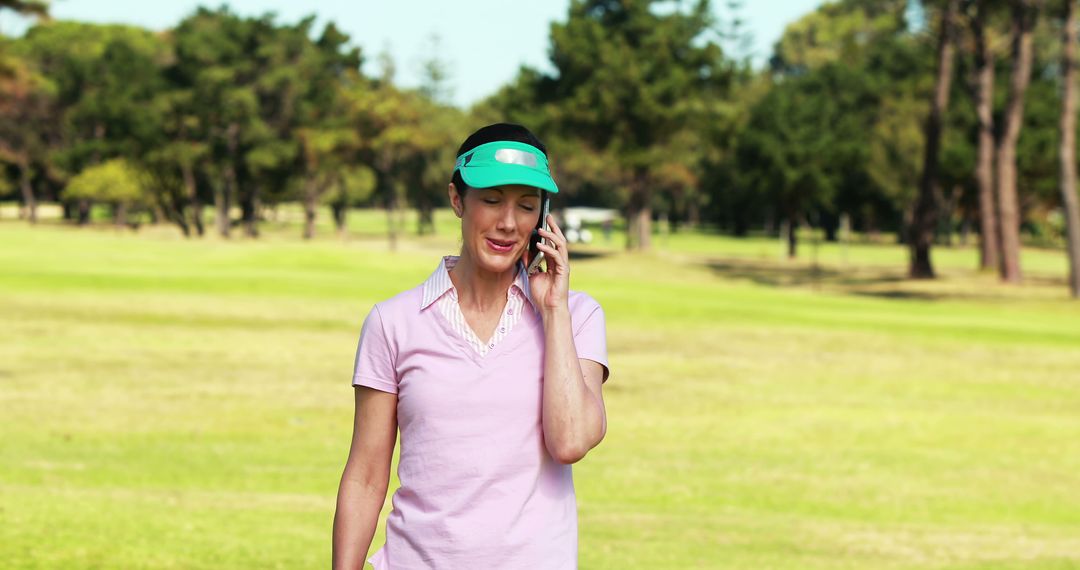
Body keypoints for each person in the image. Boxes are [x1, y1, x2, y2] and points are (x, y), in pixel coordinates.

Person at [332, 123, 611, 570]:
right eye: (492, 200)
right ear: (457, 200)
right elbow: (366, 477)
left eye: (526, 206)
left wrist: (553, 311)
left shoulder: (577, 316)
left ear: (543, 219)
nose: (508, 222)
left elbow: (571, 441)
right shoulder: (393, 322)